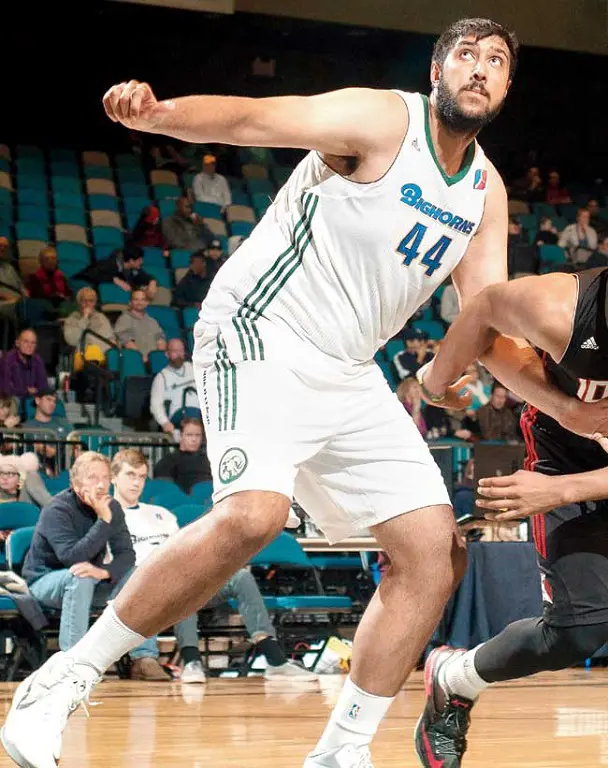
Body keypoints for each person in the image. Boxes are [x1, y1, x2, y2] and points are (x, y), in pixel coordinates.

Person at [5, 18, 606, 768]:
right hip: (261, 325)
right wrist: (161, 115)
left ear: (509, 87)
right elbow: (261, 117)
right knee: (253, 515)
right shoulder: (384, 118)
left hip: (349, 369)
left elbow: (484, 321)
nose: (479, 70)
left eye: (496, 62)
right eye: (465, 55)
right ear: (435, 69)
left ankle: (340, 752)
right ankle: (62, 679)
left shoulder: (485, 191)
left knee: (434, 553)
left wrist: (567, 408)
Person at [413, 267, 608, 768]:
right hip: (566, 455)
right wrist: (435, 382)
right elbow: (481, 311)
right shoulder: (558, 309)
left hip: (568, 479)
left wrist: (562, 490)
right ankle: (453, 680)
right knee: (576, 635)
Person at [114, 449, 315, 682]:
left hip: (183, 574)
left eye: (141, 476)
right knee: (181, 585)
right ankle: (191, 662)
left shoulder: (162, 515)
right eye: (130, 475)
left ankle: (274, 658)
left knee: (241, 577)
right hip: (145, 585)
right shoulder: (110, 516)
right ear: (114, 477)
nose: (136, 482)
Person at [150, 338, 199, 437]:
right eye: (174, 351)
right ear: (167, 354)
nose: (178, 354)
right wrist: (164, 422)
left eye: (181, 351)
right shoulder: (161, 377)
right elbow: (155, 405)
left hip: (200, 413)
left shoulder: (194, 369)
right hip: (179, 415)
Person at [76, 243, 157, 300]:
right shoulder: (110, 264)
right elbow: (92, 273)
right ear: (131, 261)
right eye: (139, 260)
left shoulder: (134, 268)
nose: (142, 262)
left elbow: (145, 277)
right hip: (85, 287)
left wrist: (152, 282)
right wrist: (114, 279)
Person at [153, 417, 212, 492]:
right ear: (181, 435)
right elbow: (163, 489)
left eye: (197, 435)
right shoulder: (168, 461)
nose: (194, 439)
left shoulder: (210, 460)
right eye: (189, 435)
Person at [63, 287, 117, 361]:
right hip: (83, 357)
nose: (88, 304)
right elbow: (72, 340)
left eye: (91, 301)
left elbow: (110, 339)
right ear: (79, 302)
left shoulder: (101, 318)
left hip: (103, 357)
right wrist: (85, 318)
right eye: (84, 301)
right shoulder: (71, 319)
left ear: (95, 303)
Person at [114, 288, 167, 363]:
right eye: (136, 299)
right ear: (130, 302)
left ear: (147, 302)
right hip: (136, 361)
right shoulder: (124, 319)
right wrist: (142, 357)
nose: (139, 302)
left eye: (143, 299)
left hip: (155, 361)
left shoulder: (153, 321)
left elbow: (161, 341)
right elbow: (127, 342)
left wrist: (159, 357)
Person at [0, 329, 48, 398]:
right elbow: (5, 389)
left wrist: (36, 392)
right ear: (17, 343)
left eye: (33, 343)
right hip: (12, 399)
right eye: (26, 342)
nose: (29, 346)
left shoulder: (38, 360)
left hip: (32, 399)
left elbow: (43, 386)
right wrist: (26, 391)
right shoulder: (7, 360)